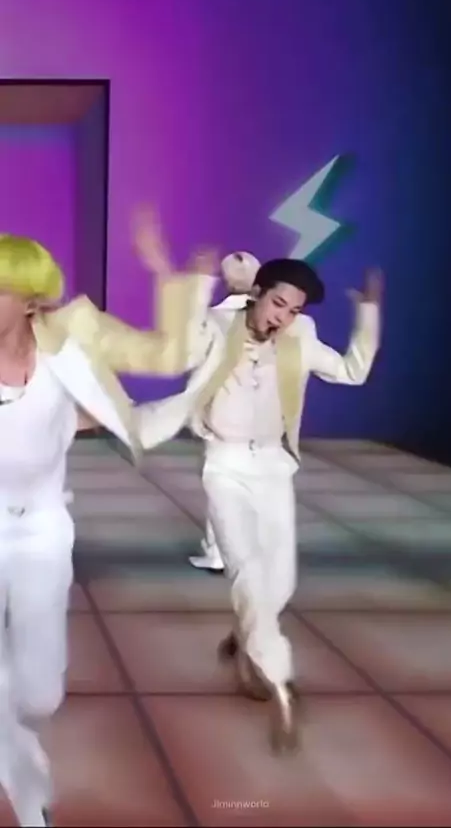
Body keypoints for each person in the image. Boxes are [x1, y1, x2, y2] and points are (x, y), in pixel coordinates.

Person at [0, 229, 209, 827]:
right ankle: (29, 796)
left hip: (42, 527)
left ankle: (16, 735)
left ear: (32, 299)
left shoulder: (73, 337)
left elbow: (169, 356)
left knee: (40, 693)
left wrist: (174, 276)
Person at [136, 251, 382, 753]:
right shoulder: (217, 326)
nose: (283, 317)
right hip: (225, 467)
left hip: (273, 468)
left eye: (294, 310)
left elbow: (352, 371)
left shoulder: (300, 336)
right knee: (247, 571)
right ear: (256, 293)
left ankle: (245, 637)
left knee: (280, 582)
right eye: (277, 304)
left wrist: (369, 313)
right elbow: (182, 351)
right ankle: (278, 681)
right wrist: (198, 284)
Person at [189, 250, 260, 574]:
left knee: (220, 484)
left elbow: (196, 363)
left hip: (220, 413)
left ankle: (218, 552)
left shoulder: (212, 318)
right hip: (262, 414)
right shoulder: (274, 321)